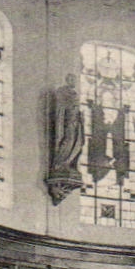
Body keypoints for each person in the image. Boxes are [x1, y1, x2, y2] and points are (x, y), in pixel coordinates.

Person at [45, 75, 85, 204]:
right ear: (67, 80)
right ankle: (60, 164)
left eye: (74, 80)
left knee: (78, 144)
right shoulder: (62, 92)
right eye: (71, 80)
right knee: (67, 142)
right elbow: (60, 110)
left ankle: (68, 164)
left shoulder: (74, 94)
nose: (73, 82)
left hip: (75, 123)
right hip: (67, 122)